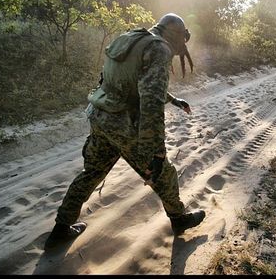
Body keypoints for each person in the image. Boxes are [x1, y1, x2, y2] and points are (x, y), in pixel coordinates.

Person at [44, 13, 205, 250]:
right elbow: (150, 102)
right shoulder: (160, 50)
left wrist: (171, 99)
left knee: (92, 172)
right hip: (124, 124)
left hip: (100, 116)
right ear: (176, 35)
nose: (184, 43)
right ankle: (179, 220)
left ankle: (60, 229)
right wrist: (157, 152)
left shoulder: (134, 37)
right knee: (163, 174)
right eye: (184, 37)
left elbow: (128, 79)